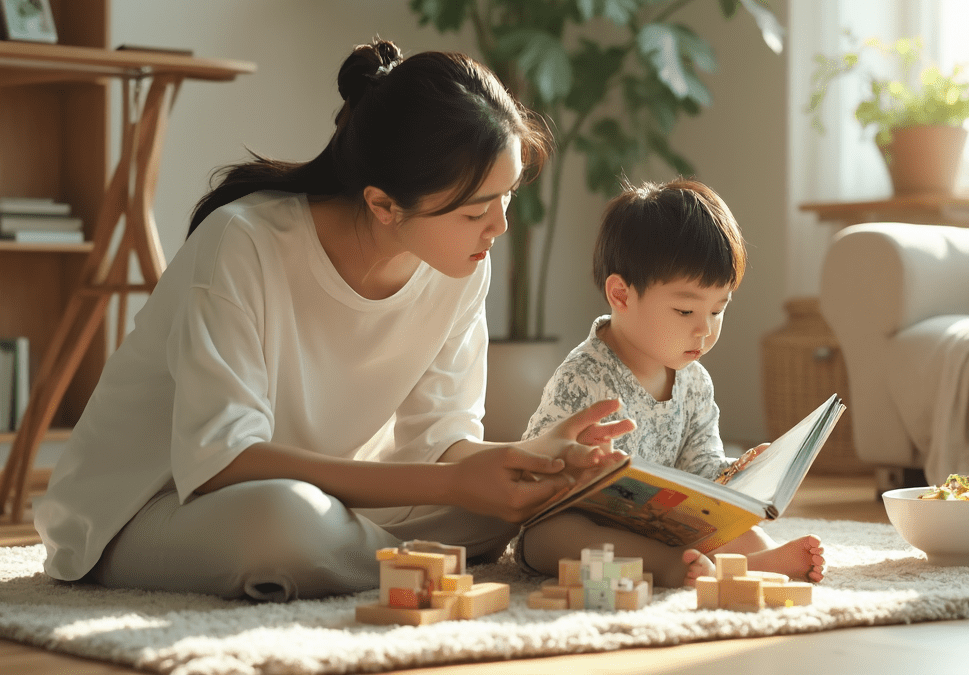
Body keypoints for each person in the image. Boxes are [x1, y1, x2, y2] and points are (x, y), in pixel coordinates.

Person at [33, 41, 633, 602]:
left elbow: (438, 440)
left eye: (508, 197)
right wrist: (457, 485)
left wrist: (526, 460)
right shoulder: (242, 242)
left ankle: (376, 558)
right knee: (285, 525)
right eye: (477, 209)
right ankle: (398, 559)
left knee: (490, 506)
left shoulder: (461, 263)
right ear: (383, 205)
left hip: (314, 495)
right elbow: (223, 462)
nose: (498, 226)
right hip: (145, 510)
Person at [520, 179, 824, 588]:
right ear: (621, 295)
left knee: (738, 532)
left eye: (718, 310)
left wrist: (740, 476)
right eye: (685, 311)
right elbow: (536, 471)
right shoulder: (584, 377)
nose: (705, 329)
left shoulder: (694, 382)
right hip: (589, 525)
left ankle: (755, 562)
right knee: (551, 538)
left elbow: (700, 468)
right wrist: (579, 460)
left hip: (663, 525)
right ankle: (670, 568)